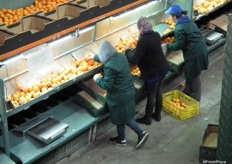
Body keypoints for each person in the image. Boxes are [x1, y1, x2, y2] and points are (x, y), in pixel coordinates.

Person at [92, 40, 149, 149]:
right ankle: (121, 139)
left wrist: (97, 79)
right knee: (121, 118)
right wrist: (95, 58)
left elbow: (107, 85)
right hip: (129, 91)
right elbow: (107, 58)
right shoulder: (121, 57)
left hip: (120, 96)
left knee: (125, 118)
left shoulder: (109, 67)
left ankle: (141, 133)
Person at [125, 17, 170, 125]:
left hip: (152, 72)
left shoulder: (143, 41)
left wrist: (127, 51)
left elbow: (134, 59)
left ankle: (147, 118)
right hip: (163, 68)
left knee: (151, 95)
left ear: (140, 29)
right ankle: (157, 114)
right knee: (159, 91)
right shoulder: (156, 35)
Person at [164, 5, 208, 101]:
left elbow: (178, 46)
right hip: (200, 48)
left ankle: (195, 100)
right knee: (190, 74)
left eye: (171, 16)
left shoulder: (179, 28)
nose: (170, 18)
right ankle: (187, 94)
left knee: (194, 76)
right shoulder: (188, 20)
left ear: (175, 17)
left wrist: (167, 45)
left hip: (194, 54)